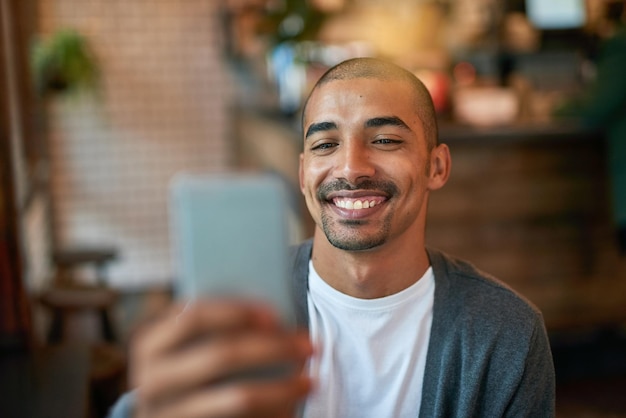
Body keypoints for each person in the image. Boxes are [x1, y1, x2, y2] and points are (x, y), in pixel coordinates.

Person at [108, 57, 555, 418]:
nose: (350, 167)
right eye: (325, 145)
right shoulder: (233, 312)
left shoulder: (506, 334)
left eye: (384, 140)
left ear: (436, 166)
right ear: (303, 173)